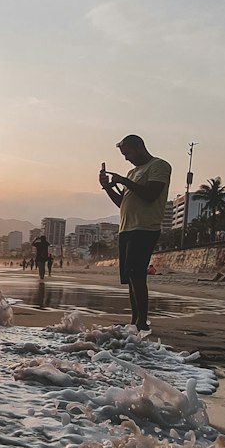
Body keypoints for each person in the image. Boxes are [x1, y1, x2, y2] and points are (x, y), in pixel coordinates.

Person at [99, 135, 172, 331]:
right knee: (131, 276)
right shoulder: (132, 172)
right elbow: (122, 203)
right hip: (126, 228)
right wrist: (107, 186)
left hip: (145, 227)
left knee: (137, 274)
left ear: (139, 147)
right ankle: (135, 321)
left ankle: (142, 322)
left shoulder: (159, 166)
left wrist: (123, 180)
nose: (126, 159)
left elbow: (150, 195)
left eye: (128, 153)